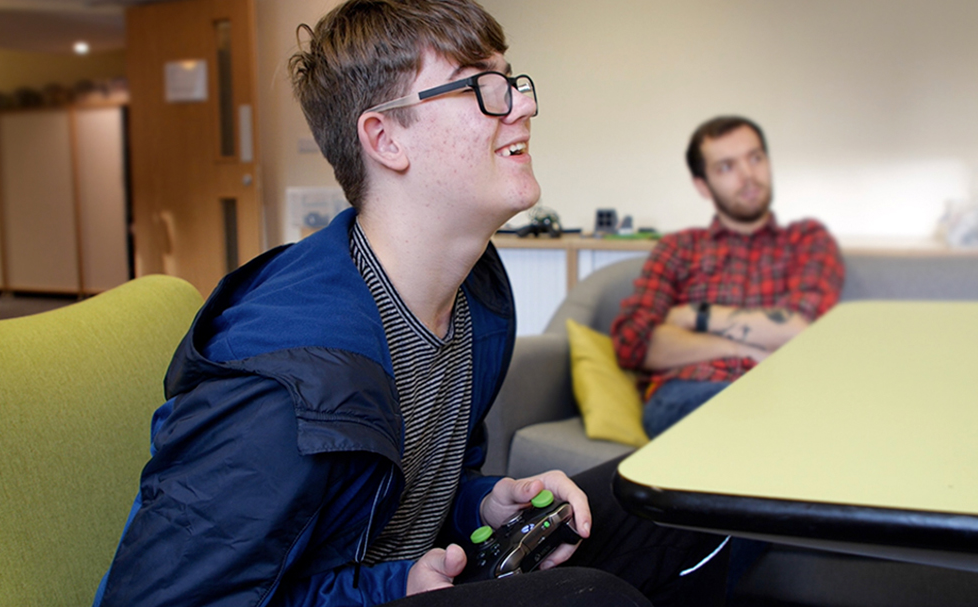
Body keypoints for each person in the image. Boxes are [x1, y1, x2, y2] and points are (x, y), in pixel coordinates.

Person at [92, 2, 729, 606]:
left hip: (419, 578)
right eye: (482, 87)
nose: (525, 105)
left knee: (690, 490)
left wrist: (483, 504)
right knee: (594, 599)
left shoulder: (474, 293)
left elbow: (397, 501)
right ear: (386, 139)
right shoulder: (283, 374)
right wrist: (390, 588)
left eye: (513, 81)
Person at [612, 116, 845, 440]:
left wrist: (693, 317)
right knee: (747, 424)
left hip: (784, 393)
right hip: (690, 393)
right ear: (703, 186)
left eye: (755, 158)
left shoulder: (807, 240)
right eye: (726, 167)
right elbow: (634, 344)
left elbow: (799, 332)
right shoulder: (679, 248)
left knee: (795, 420)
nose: (749, 176)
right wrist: (747, 351)